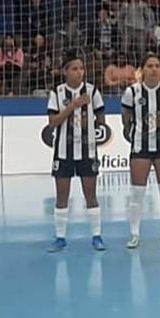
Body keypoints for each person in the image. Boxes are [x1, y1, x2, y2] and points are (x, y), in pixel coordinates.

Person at [121, 54, 160, 248]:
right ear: (142, 70)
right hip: (140, 145)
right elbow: (126, 118)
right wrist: (136, 132)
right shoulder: (132, 92)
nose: (154, 69)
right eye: (150, 66)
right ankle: (134, 234)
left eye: (157, 65)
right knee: (137, 192)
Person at [46, 53, 106, 252]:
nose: (79, 72)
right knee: (62, 197)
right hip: (63, 152)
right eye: (75, 69)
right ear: (65, 71)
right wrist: (72, 107)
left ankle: (96, 236)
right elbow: (53, 123)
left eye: (81, 68)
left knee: (91, 195)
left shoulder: (92, 91)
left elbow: (101, 120)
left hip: (87, 151)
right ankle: (60, 237)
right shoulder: (57, 92)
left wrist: (93, 126)